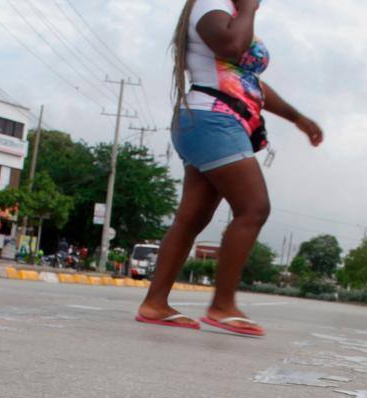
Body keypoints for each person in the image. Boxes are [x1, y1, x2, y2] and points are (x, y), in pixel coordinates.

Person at [136, 0, 322, 336]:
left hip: (214, 120)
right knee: (253, 208)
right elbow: (232, 48)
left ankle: (155, 303)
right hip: (213, 120)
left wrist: (298, 117)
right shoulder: (212, 4)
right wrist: (249, 9)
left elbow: (249, 81)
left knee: (192, 217)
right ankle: (222, 306)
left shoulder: (227, 12)